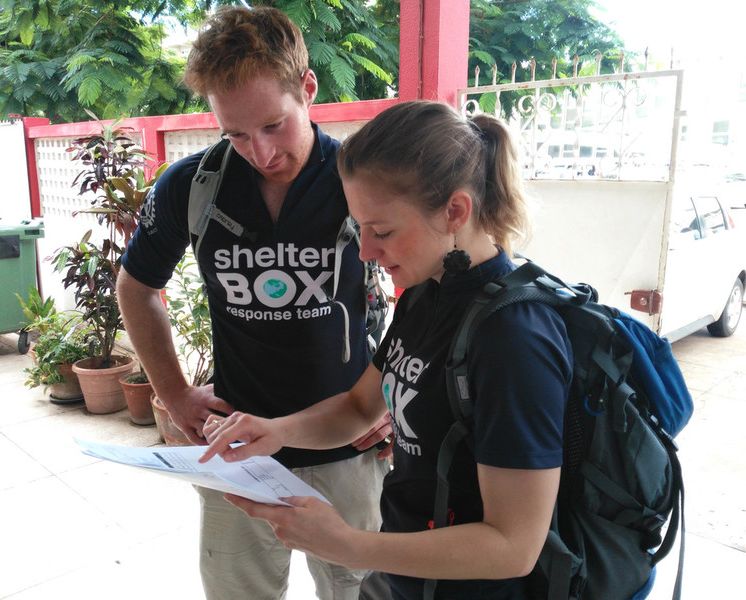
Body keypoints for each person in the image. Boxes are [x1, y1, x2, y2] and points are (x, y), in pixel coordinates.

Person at [200, 100, 574, 600]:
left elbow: (513, 545)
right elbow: (359, 406)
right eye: (360, 229)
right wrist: (274, 431)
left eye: (383, 231)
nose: (365, 253)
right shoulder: (428, 292)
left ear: (455, 211)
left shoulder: (515, 337)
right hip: (404, 581)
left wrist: (350, 546)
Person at [117, 6, 390, 600]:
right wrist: (174, 393)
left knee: (358, 592)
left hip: (348, 446)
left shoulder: (361, 178)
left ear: (308, 89)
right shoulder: (192, 185)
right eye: (235, 134)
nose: (260, 152)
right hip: (235, 449)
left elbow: (426, 288)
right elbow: (136, 288)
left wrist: (393, 397)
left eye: (274, 125)